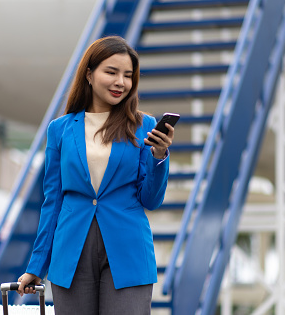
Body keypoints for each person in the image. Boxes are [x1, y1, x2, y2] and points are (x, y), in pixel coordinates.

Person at [17, 36, 174, 314]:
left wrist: (159, 157)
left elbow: (150, 199)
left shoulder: (143, 125)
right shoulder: (60, 129)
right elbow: (52, 201)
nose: (120, 82)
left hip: (128, 249)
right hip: (72, 250)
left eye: (128, 75)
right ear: (89, 74)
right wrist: (36, 265)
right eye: (111, 72)